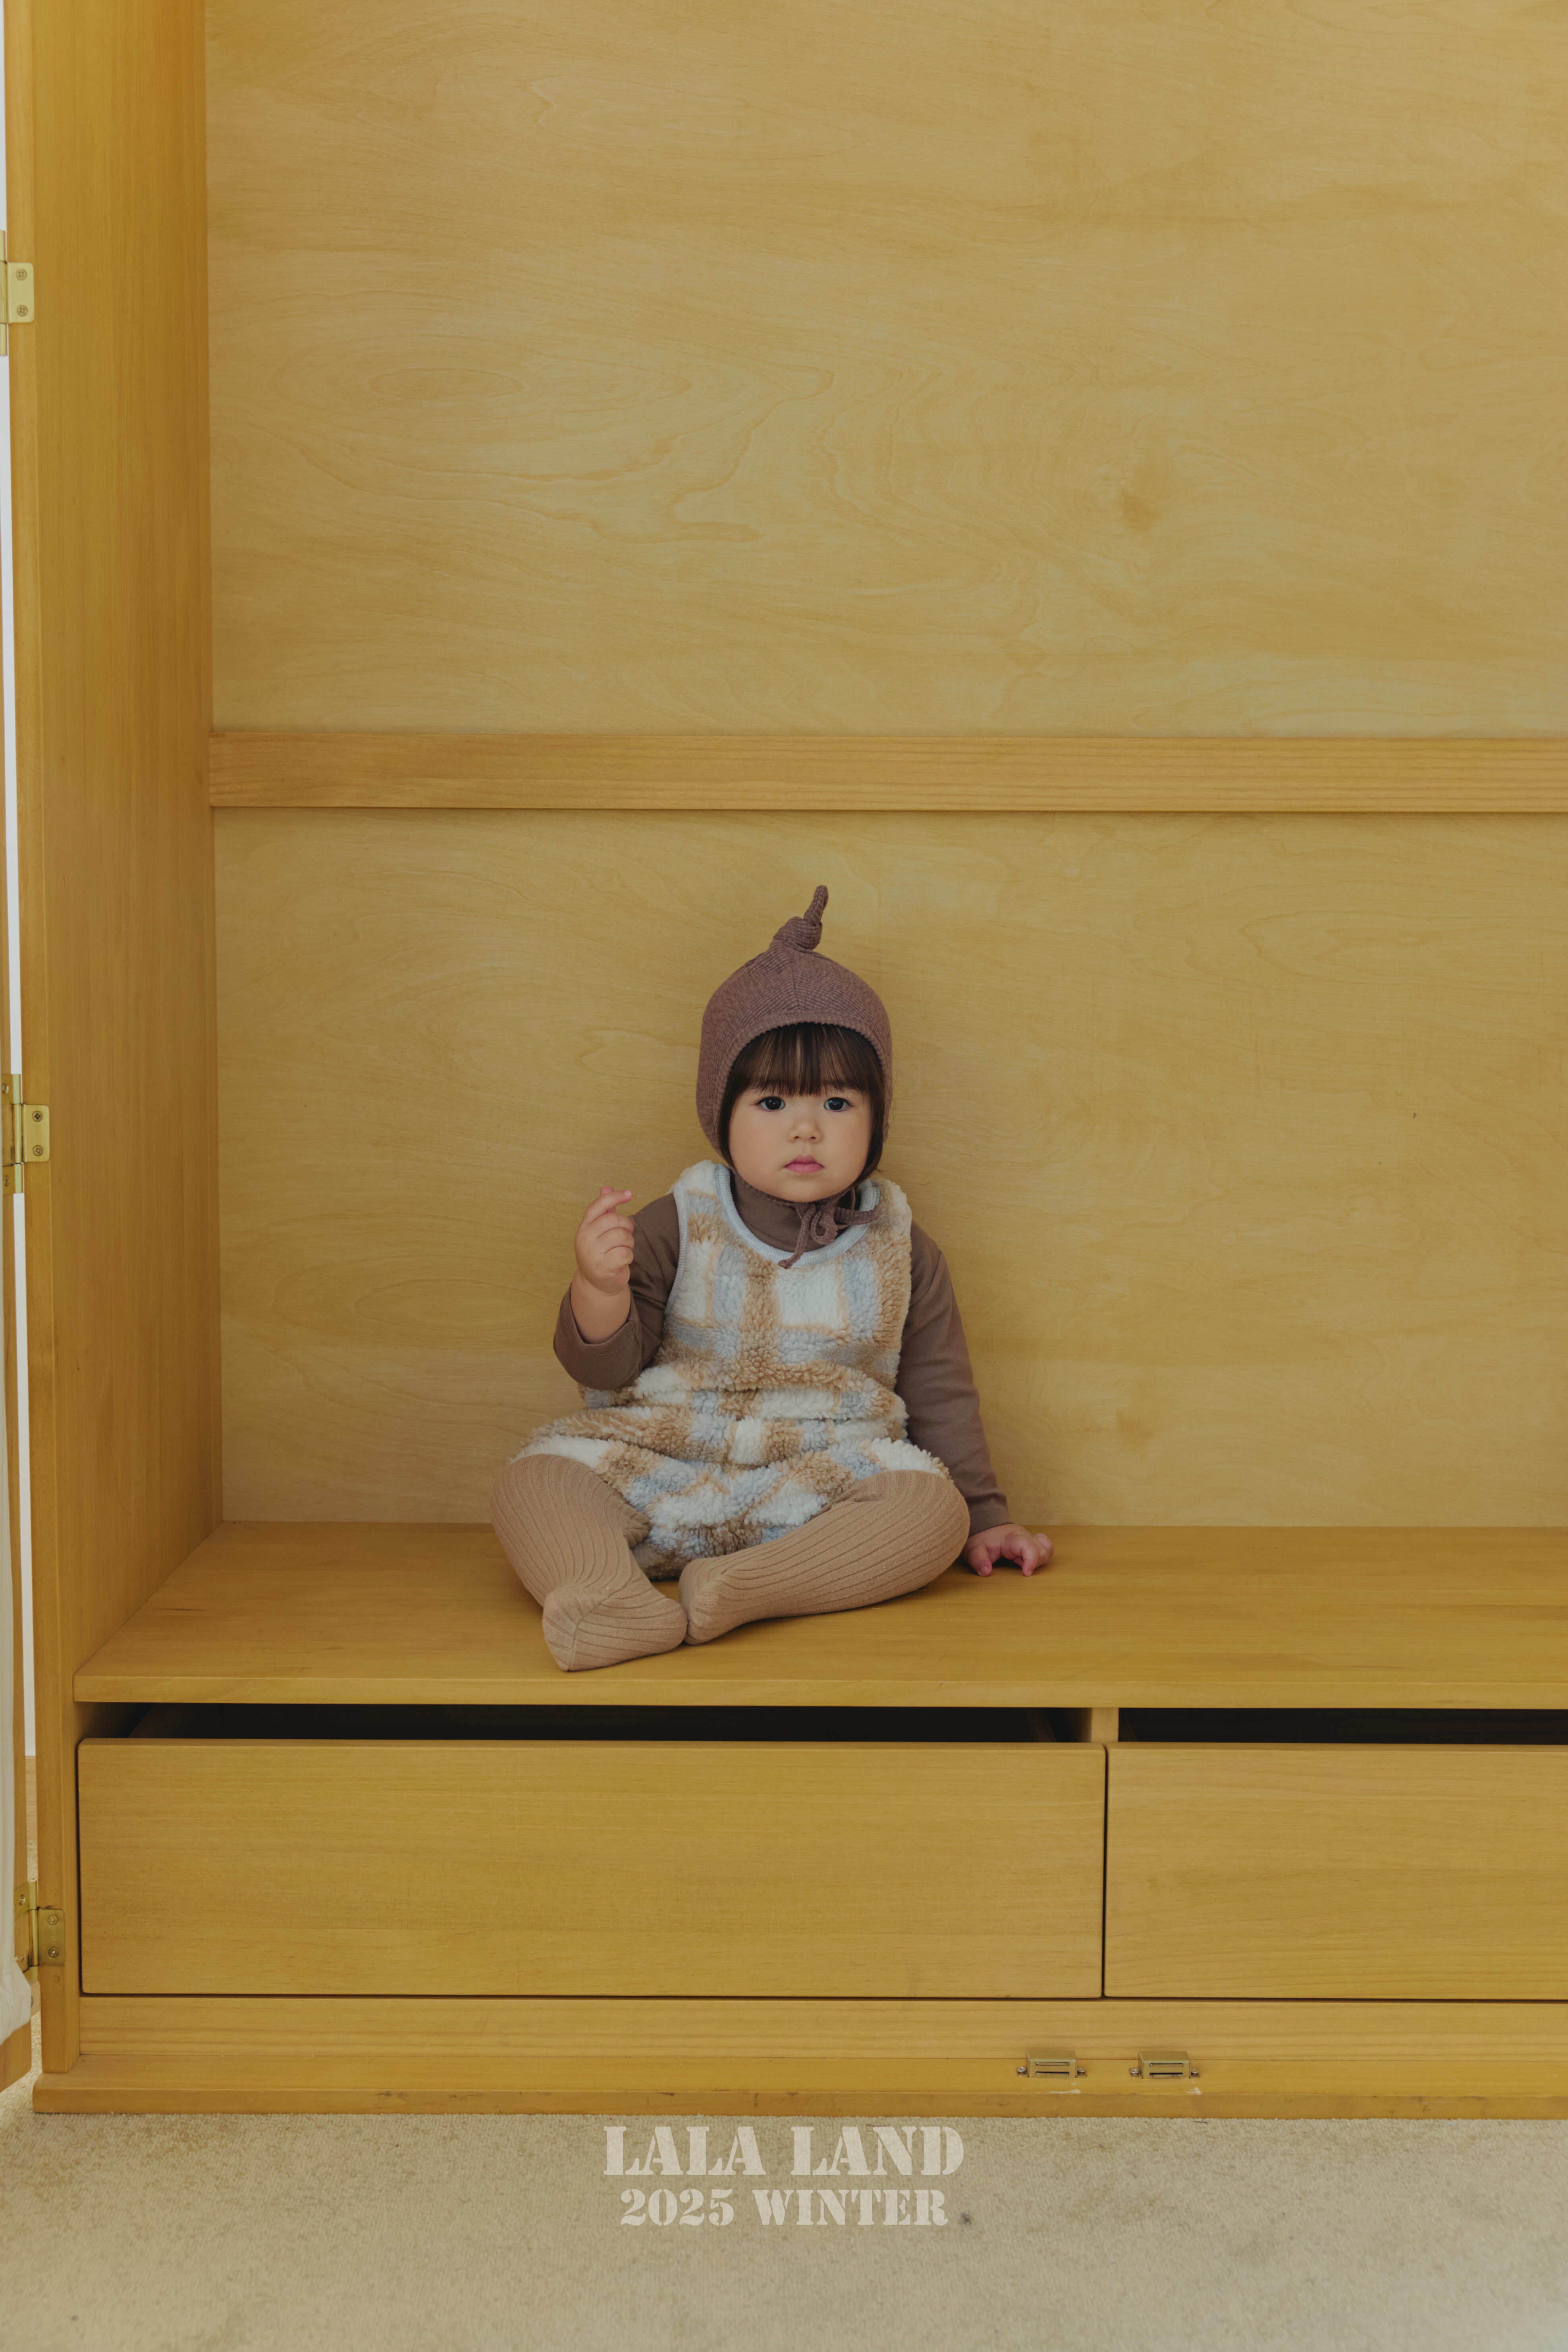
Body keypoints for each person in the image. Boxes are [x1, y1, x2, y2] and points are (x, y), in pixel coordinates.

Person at [492, 886, 1052, 1670]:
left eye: (837, 1101)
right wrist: (599, 1290)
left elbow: (940, 1389)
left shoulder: (900, 1245)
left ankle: (741, 1588)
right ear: (720, 1111)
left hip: (820, 1482)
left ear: (878, 1117)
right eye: (772, 1101)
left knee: (933, 1511)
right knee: (536, 1479)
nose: (805, 1128)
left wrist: (985, 1515)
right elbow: (606, 1370)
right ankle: (601, 1593)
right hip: (664, 1461)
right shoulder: (678, 1221)